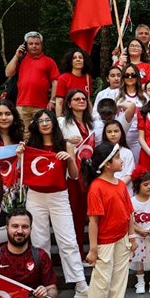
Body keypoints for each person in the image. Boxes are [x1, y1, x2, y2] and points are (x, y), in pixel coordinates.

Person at [22, 109, 88, 298]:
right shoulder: (30, 145)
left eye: (48, 120)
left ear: (53, 122)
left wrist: (69, 159)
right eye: (40, 120)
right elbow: (21, 174)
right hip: (35, 195)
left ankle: (80, 284)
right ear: (35, 125)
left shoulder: (65, 144)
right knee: (39, 241)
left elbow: (75, 175)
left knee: (67, 239)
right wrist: (19, 155)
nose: (44, 123)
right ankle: (44, 283)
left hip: (59, 195)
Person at [81, 143, 135, 298]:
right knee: (100, 283)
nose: (122, 160)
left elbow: (129, 212)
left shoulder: (121, 185)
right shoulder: (96, 188)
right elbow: (93, 221)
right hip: (104, 242)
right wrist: (93, 249)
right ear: (107, 164)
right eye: (118, 157)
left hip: (122, 239)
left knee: (120, 278)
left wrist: (132, 236)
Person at [59, 88, 96, 249]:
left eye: (83, 99)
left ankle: (82, 250)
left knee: (82, 216)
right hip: (71, 175)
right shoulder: (61, 122)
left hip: (88, 175)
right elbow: (50, 142)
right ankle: (74, 253)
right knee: (72, 216)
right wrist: (66, 139)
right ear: (68, 103)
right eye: (76, 99)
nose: (81, 101)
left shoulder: (93, 123)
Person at [5, 31, 60, 127]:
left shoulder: (49, 61)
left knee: (41, 132)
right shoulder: (21, 59)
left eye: (37, 43)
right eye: (30, 44)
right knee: (24, 134)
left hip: (41, 105)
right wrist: (16, 56)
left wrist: (52, 100)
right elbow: (8, 73)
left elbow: (55, 81)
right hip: (21, 105)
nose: (34, 46)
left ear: (41, 45)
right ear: (26, 45)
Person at [54, 47, 92, 116]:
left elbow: (88, 100)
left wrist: (91, 117)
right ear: (70, 62)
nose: (78, 59)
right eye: (74, 58)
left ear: (84, 61)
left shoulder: (88, 78)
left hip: (84, 116)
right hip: (68, 116)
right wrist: (59, 120)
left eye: (80, 57)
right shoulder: (63, 78)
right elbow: (59, 102)